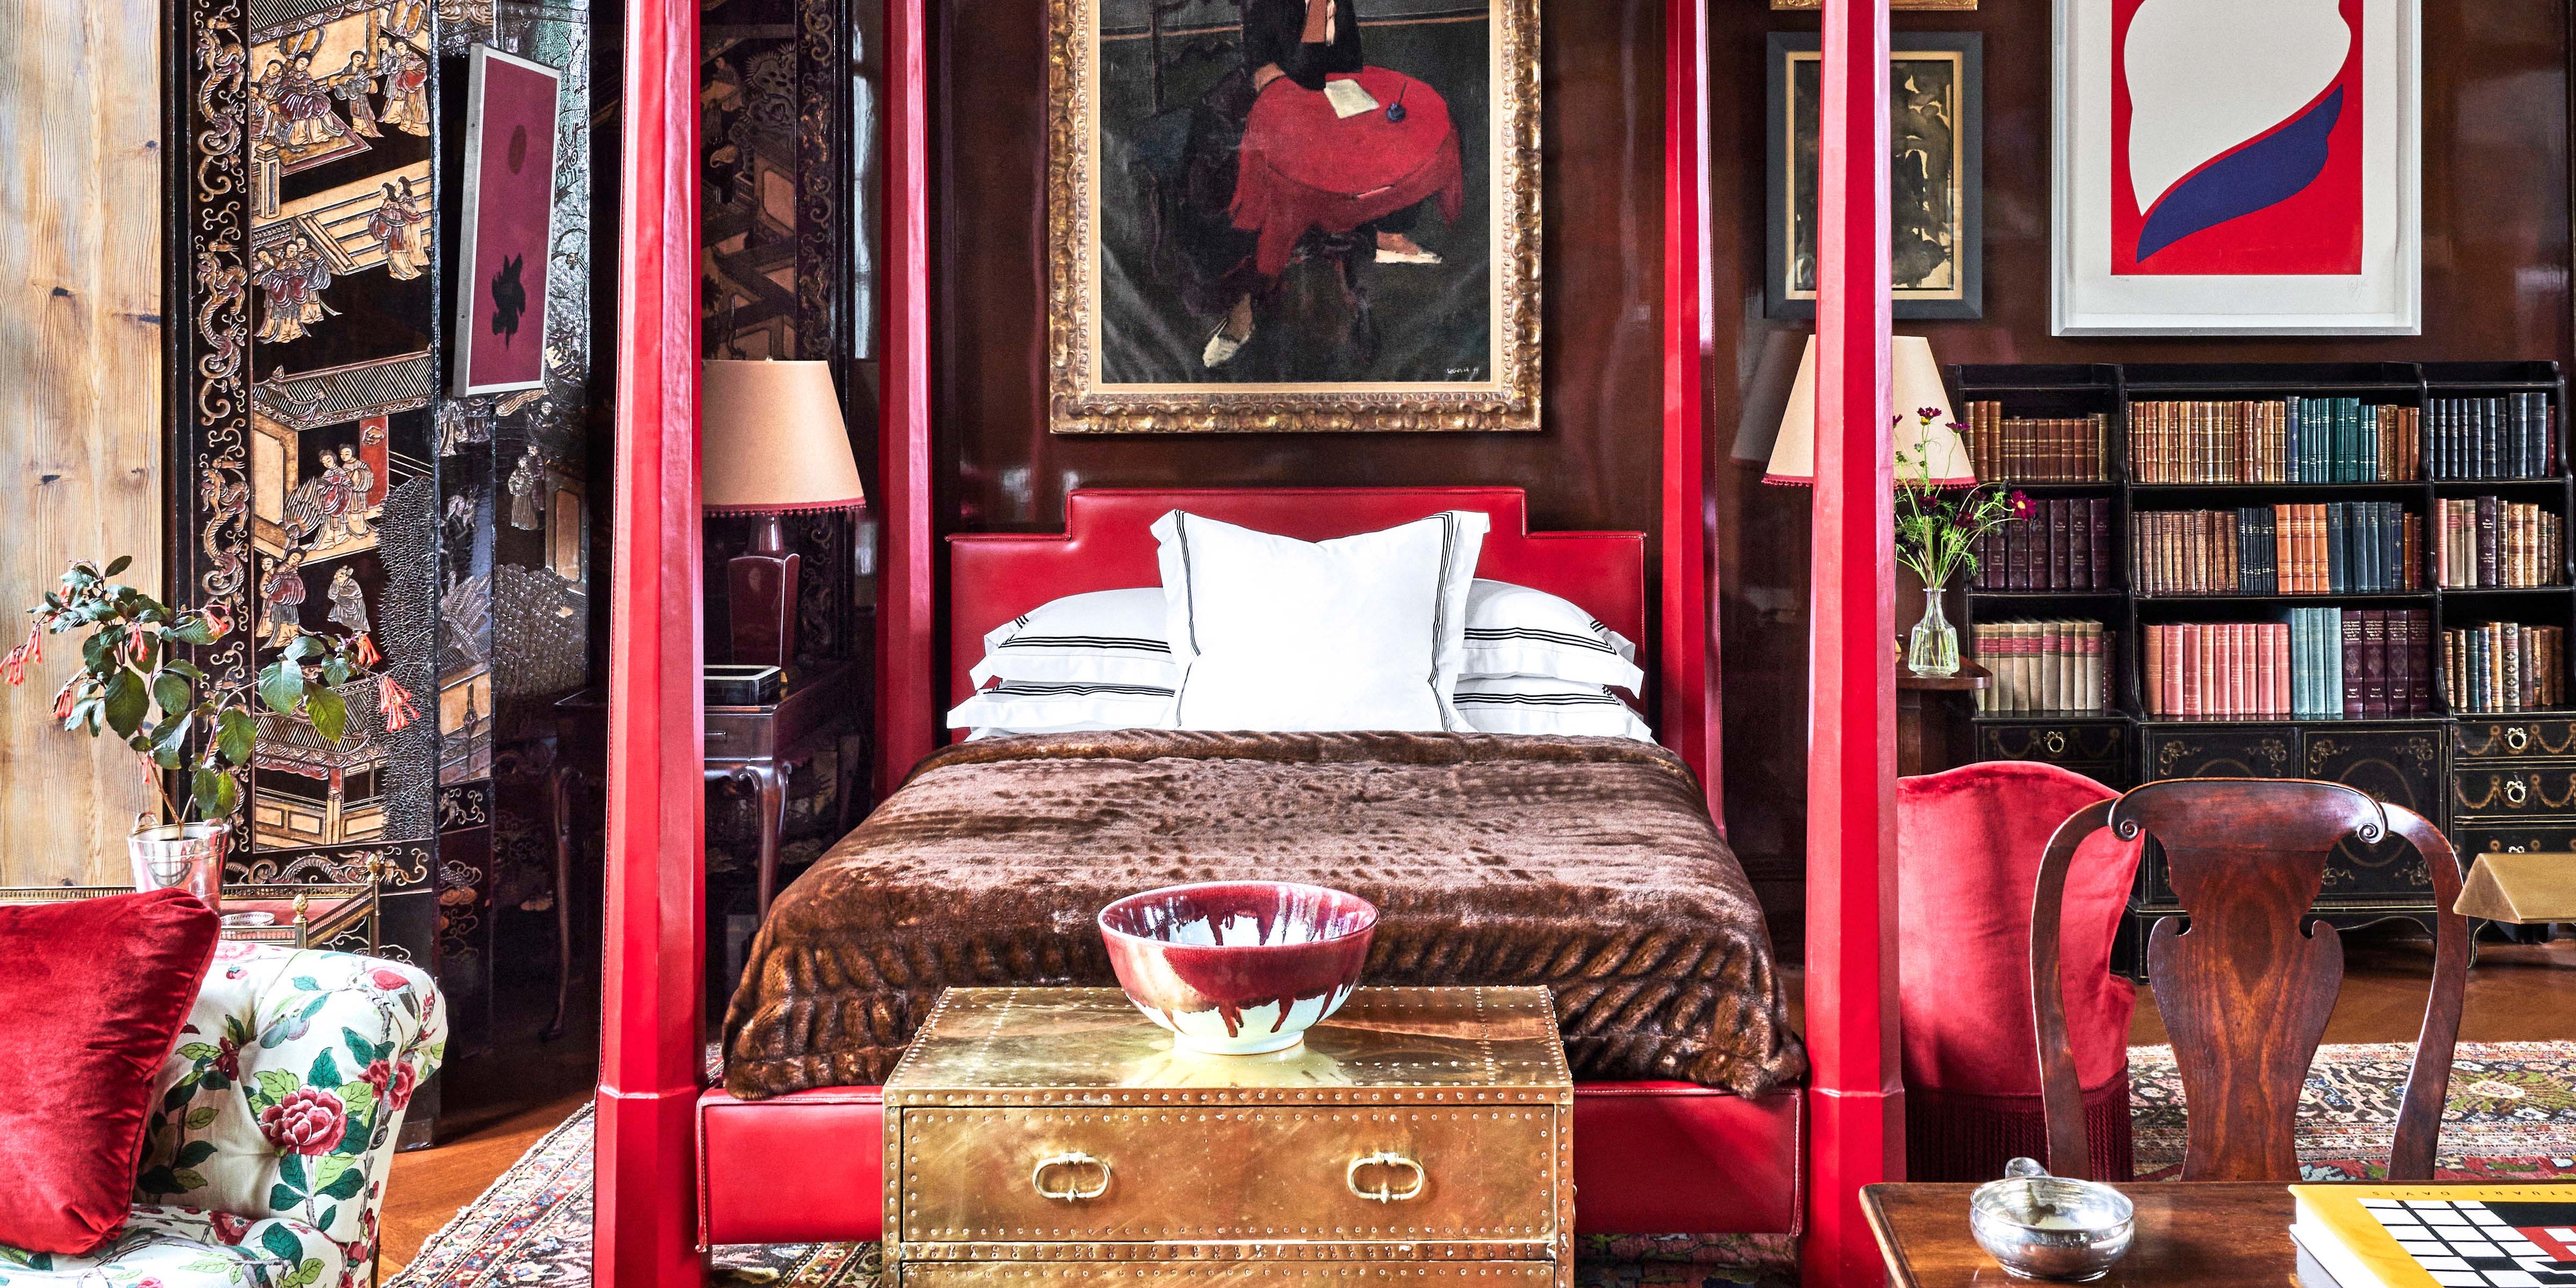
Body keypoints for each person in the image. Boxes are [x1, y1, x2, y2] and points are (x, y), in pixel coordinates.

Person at [1200, 0, 1440, 370]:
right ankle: (1242, 308)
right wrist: (1315, 22)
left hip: (1320, 93)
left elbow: (1350, 61)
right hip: (1257, 102)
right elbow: (1278, 70)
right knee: (1261, 180)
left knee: (1395, 135)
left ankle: (1382, 235)